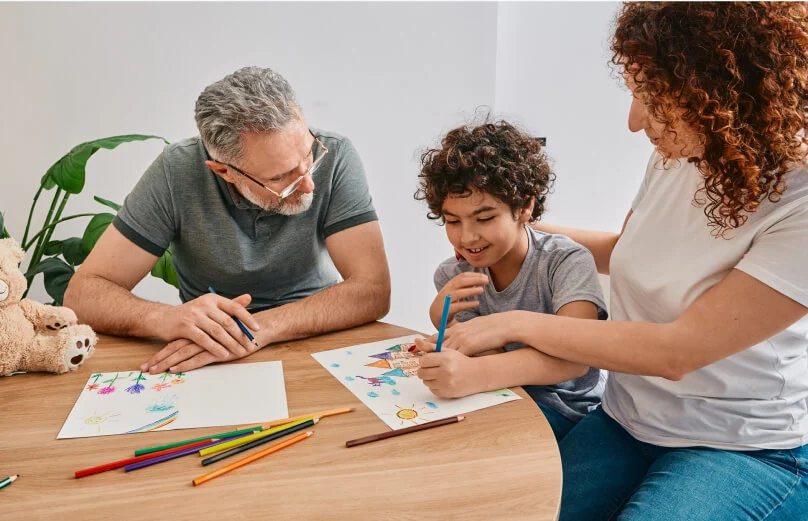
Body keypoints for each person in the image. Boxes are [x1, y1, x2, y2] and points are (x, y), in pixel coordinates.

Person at [422, 3, 808, 519]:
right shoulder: (677, 156)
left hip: (742, 446)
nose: (634, 121)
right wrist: (503, 234)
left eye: (654, 98)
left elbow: (677, 352)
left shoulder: (799, 203)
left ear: (720, 93)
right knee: (511, 509)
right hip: (627, 419)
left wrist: (512, 323)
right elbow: (624, 249)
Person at [64, 66, 390, 374]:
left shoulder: (336, 154)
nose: (309, 185)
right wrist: (162, 317)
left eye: (309, 157)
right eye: (282, 178)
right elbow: (84, 293)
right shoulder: (175, 171)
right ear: (224, 171)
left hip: (316, 335)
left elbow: (372, 289)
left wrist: (258, 328)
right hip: (211, 350)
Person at [413, 120, 607, 441]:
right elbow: (484, 353)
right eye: (452, 221)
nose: (468, 236)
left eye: (485, 218)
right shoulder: (453, 276)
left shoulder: (566, 261)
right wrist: (446, 333)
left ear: (525, 206)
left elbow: (576, 360)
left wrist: (476, 373)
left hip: (571, 412)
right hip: (501, 399)